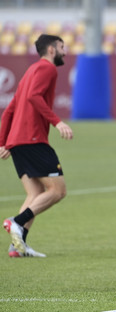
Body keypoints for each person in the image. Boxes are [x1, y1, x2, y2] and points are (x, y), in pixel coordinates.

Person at [1, 34, 73, 258]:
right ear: (51, 49)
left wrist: (3, 142)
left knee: (36, 193)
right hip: (32, 140)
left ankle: (17, 247)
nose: (65, 52)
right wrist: (57, 121)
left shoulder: (29, 72)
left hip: (18, 143)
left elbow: (9, 110)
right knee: (58, 191)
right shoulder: (47, 69)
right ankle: (17, 223)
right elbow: (34, 96)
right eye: (62, 47)